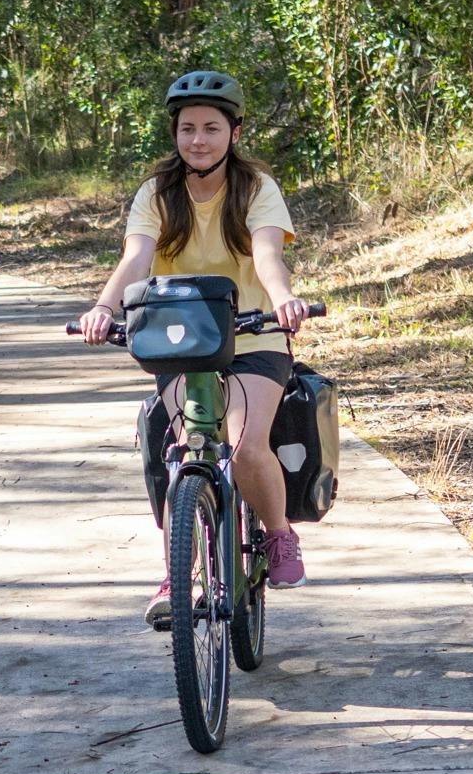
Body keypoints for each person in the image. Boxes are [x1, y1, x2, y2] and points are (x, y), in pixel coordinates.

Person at [78, 71, 312, 622]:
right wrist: (104, 308)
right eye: (187, 129)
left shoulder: (255, 189)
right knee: (186, 451)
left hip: (256, 336)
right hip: (181, 340)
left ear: (234, 131)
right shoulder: (157, 194)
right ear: (175, 134)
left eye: (211, 128)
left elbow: (267, 256)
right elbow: (136, 259)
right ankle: (177, 575)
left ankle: (278, 536)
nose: (198, 140)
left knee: (246, 445)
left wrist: (284, 298)